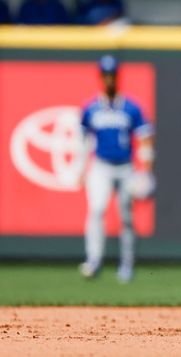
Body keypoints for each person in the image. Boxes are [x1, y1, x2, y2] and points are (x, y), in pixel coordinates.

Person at [78, 55, 154, 283]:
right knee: (96, 210)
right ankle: (94, 260)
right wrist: (81, 168)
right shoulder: (91, 108)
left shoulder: (130, 107)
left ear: (117, 77)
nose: (109, 79)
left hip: (125, 166)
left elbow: (145, 138)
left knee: (126, 217)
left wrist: (145, 171)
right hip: (100, 165)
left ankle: (127, 265)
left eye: (112, 75)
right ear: (101, 77)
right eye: (105, 75)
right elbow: (83, 140)